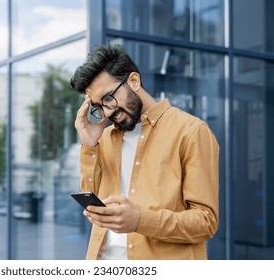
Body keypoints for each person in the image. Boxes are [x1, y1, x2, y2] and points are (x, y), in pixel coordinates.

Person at [70, 44, 219, 260]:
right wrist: (90, 146)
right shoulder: (103, 138)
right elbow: (95, 205)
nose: (108, 112)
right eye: (98, 106)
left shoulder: (191, 132)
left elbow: (206, 222)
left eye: (109, 98)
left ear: (133, 81)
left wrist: (140, 220)